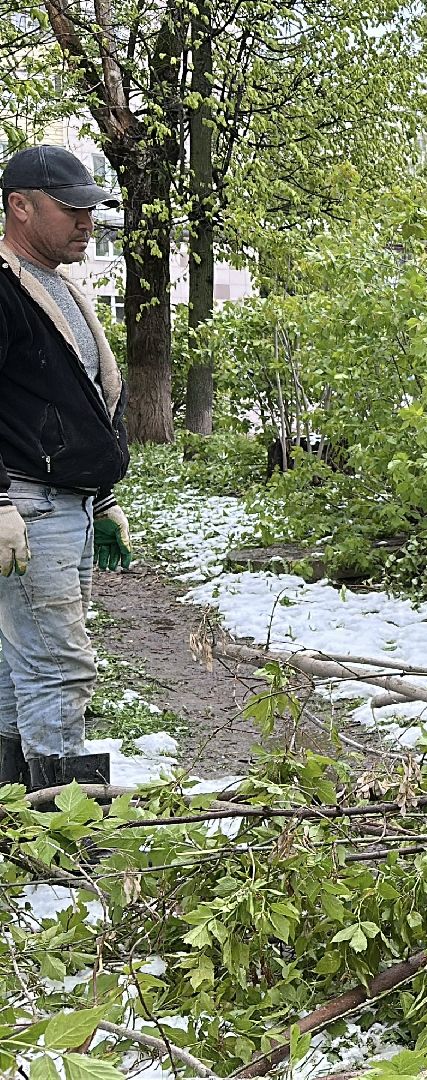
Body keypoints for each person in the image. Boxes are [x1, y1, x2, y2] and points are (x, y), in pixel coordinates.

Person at [0, 145, 133, 790]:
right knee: (57, 662)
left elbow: (82, 402)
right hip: (27, 505)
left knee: (16, 659)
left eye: (91, 208)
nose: (87, 221)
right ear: (20, 207)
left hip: (63, 503)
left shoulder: (57, 285)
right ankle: (65, 821)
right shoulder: (2, 287)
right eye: (71, 208)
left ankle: (19, 818)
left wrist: (102, 499)